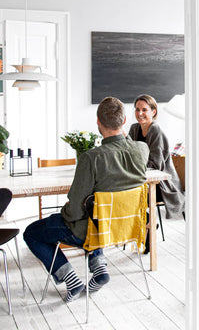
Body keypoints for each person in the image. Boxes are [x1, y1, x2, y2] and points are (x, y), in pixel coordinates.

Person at [23, 97, 149, 302]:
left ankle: (70, 278)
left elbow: (74, 210)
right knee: (96, 215)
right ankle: (99, 269)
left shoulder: (91, 158)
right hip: (126, 227)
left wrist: (64, 213)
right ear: (125, 120)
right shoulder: (141, 150)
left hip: (94, 230)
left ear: (98, 122)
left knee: (32, 233)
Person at [128, 94, 185, 220]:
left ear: (153, 112)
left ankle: (147, 224)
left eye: (144, 110)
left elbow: (156, 165)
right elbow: (127, 154)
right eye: (137, 109)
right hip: (142, 179)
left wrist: (133, 163)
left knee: (128, 194)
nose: (140, 113)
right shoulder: (134, 129)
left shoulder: (155, 130)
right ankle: (139, 226)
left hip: (161, 184)